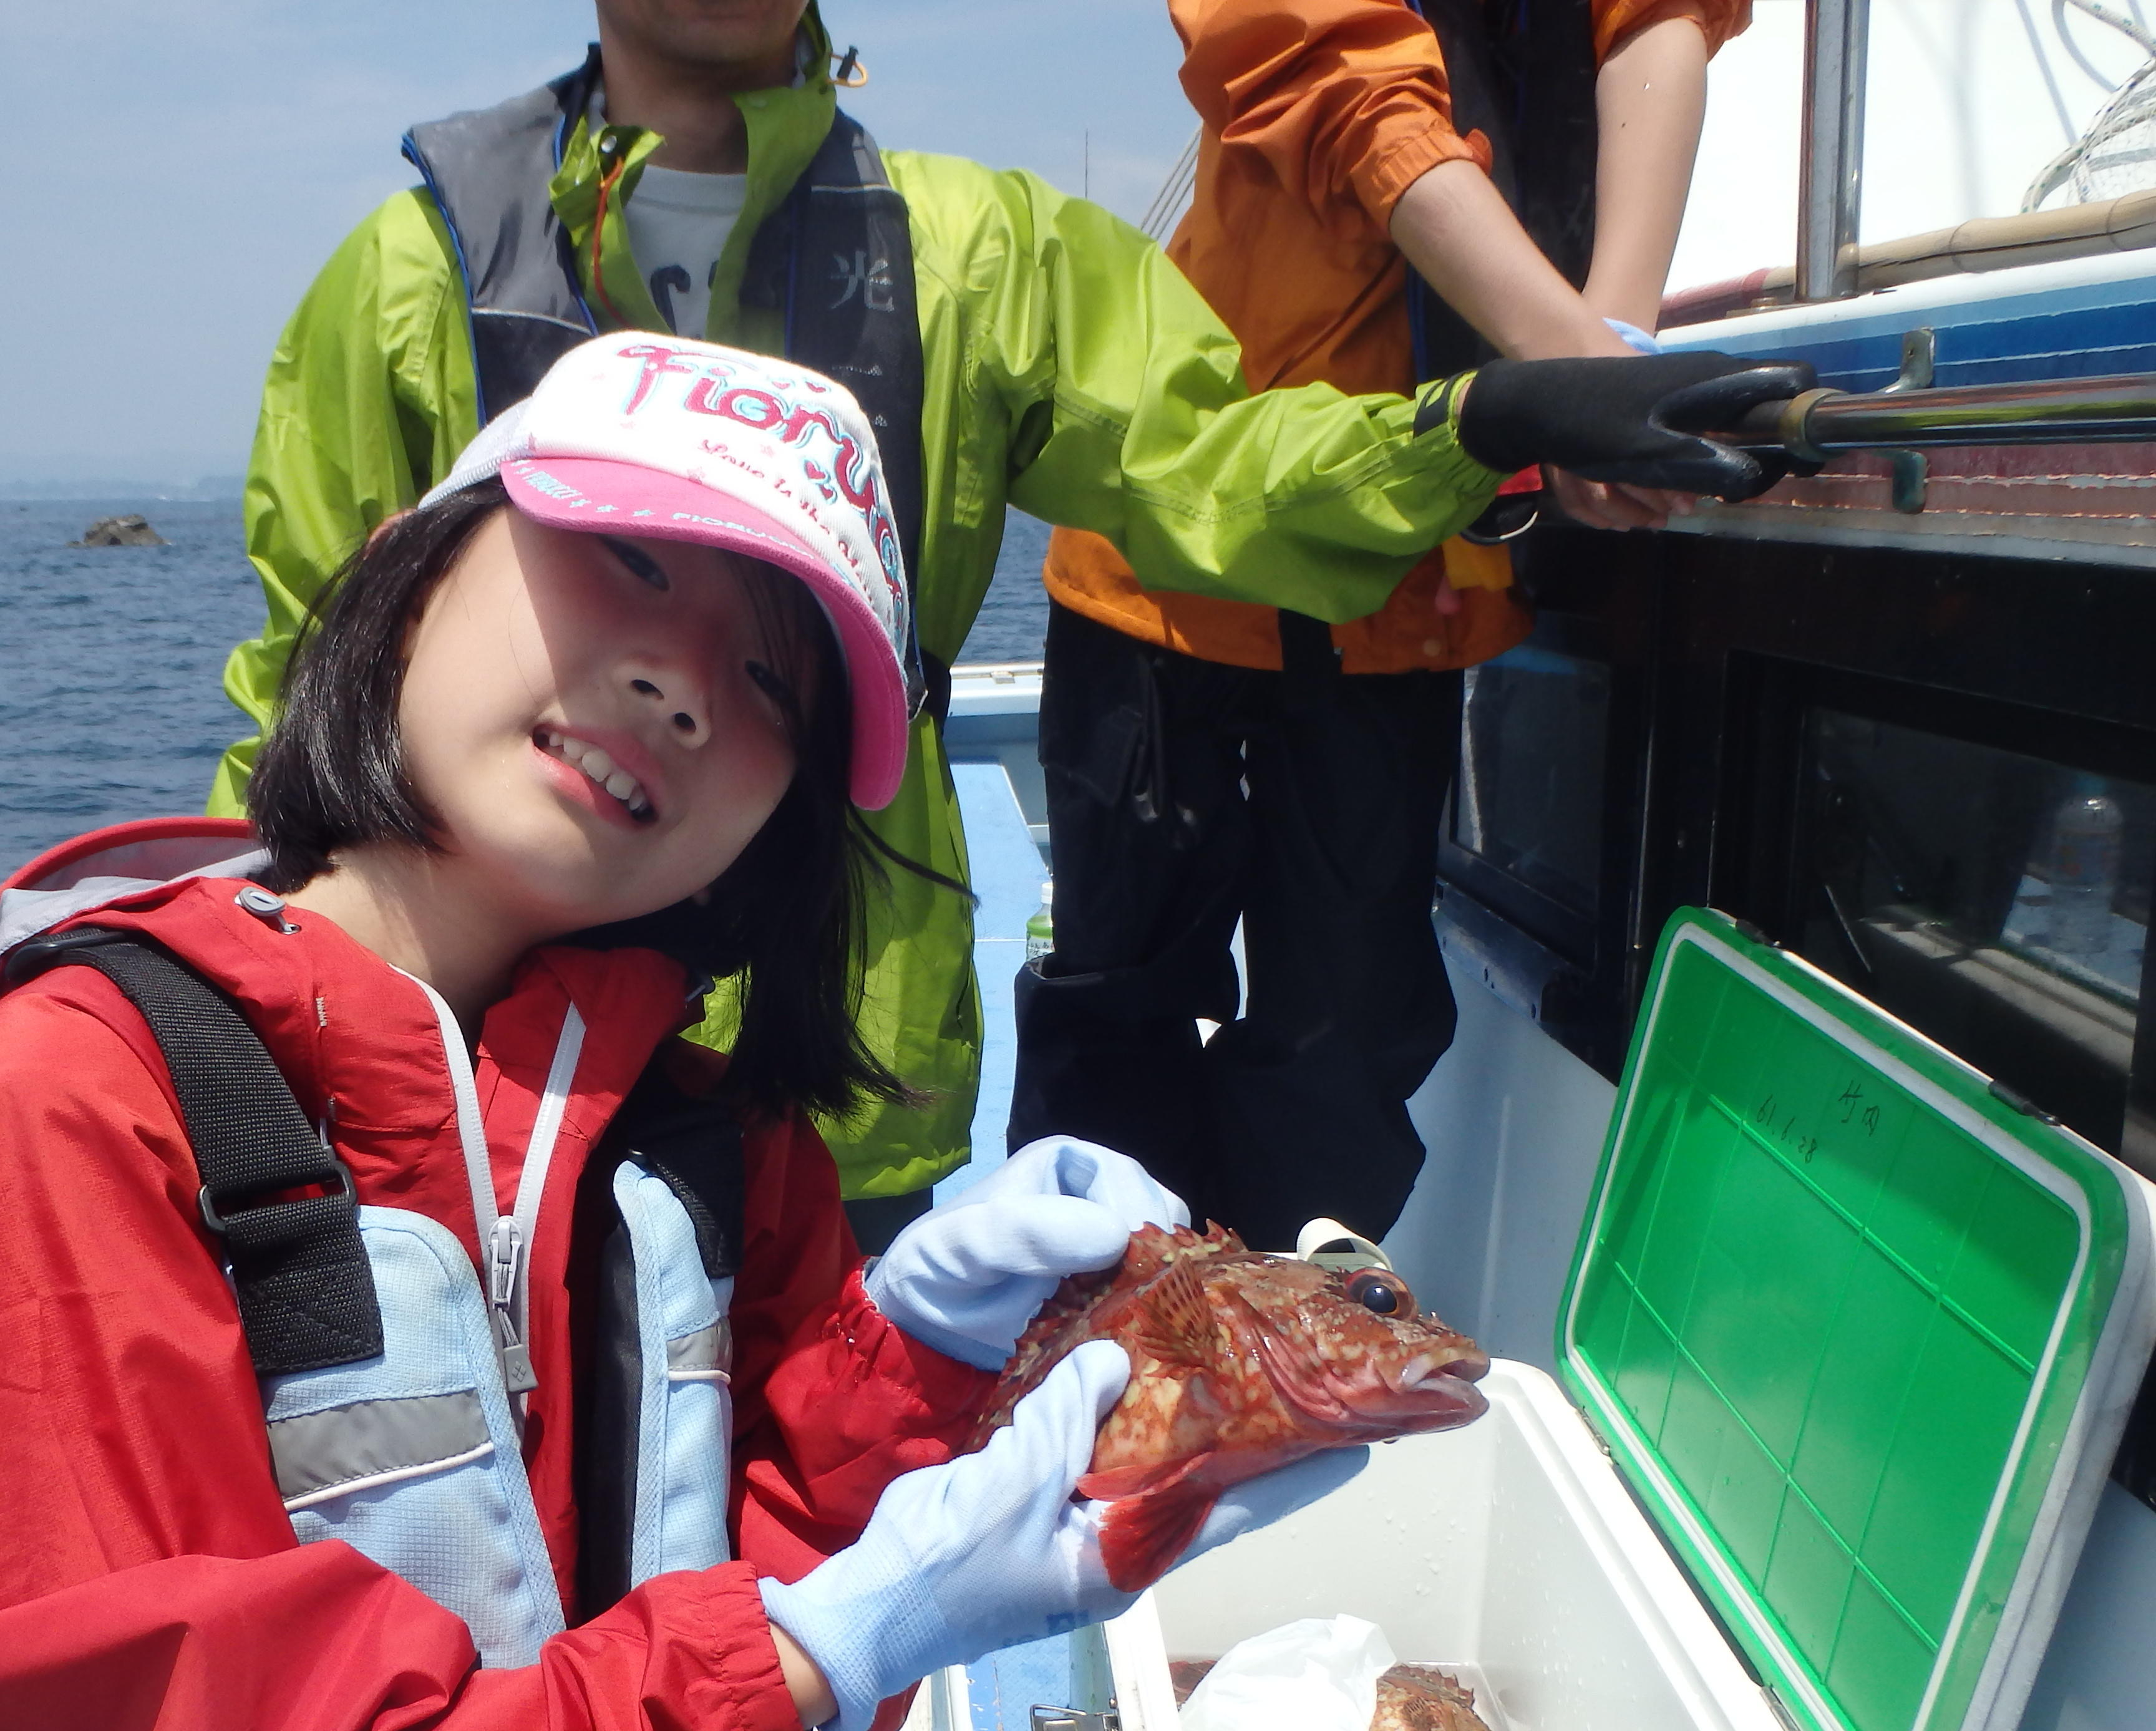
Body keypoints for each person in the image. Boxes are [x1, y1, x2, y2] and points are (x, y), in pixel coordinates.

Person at [0, 336, 1402, 1731]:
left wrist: (912, 1367)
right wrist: (823, 1649)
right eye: (629, 557)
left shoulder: (712, 1142)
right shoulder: (94, 1098)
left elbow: (755, 1642)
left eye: (775, 677)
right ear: (406, 563)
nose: (686, 684)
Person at [201, 0, 1770, 1259]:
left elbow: (1214, 462)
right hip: (451, 1059)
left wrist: (1483, 414)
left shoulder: (987, 260)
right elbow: (301, 700)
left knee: (792, 1487)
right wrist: (220, 1037)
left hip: (835, 1056)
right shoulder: (404, 284)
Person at [1016, 0, 1754, 1253]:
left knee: (1350, 1027)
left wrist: (1606, 357)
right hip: (1176, 568)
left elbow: (1655, 21)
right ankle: (1109, 1342)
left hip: (1410, 584)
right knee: (1120, 1003)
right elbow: (1342, 86)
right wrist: (1571, 369)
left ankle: (1282, 1352)